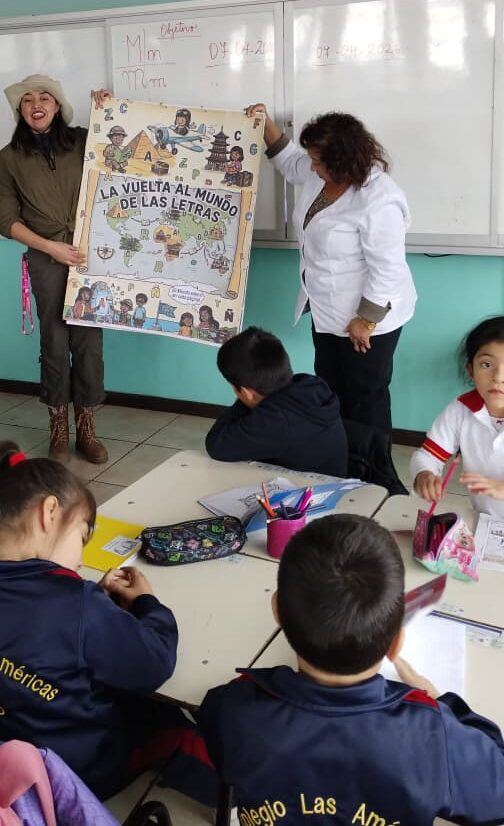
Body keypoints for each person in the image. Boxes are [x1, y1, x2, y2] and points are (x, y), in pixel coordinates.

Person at [0, 441, 216, 803]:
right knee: (169, 723)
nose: (80, 555)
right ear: (49, 511)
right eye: (83, 534)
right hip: (70, 769)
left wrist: (96, 608)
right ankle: (238, 800)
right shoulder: (75, 603)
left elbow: (18, 627)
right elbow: (154, 663)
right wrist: (147, 604)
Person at [199, 513, 504, 823]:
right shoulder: (432, 734)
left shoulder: (231, 707)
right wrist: (443, 704)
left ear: (277, 611)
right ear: (396, 643)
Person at [246, 105, 417, 435]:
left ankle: (374, 476)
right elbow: (291, 162)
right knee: (331, 392)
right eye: (312, 159)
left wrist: (365, 320)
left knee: (365, 398)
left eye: (318, 161)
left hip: (370, 321)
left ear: (341, 159)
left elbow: (388, 269)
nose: (311, 166)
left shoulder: (379, 199)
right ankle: (340, 467)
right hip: (328, 310)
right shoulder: (321, 174)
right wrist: (264, 123)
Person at [0, 74, 110, 465]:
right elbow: (8, 221)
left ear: (58, 105)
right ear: (19, 110)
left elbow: (122, 155)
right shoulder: (8, 159)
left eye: (44, 98)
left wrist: (109, 111)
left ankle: (87, 429)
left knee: (88, 344)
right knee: (55, 342)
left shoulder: (81, 141)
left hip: (90, 255)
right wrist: (50, 248)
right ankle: (58, 427)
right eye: (27, 100)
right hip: (45, 258)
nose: (36, 105)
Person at [205, 326, 347, 477]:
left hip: (309, 494)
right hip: (330, 480)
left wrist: (246, 401)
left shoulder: (275, 420)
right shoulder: (309, 384)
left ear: (247, 392)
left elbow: (216, 445)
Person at [411, 316, 504, 516]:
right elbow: (428, 456)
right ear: (471, 370)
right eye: (487, 365)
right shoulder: (461, 409)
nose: (498, 377)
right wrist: (424, 474)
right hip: (483, 519)